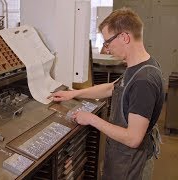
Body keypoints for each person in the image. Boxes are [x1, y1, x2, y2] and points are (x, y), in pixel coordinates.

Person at [49, 7, 164, 180]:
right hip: (121, 156)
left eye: (107, 42)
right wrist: (73, 93)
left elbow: (133, 138)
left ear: (124, 37)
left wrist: (91, 119)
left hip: (130, 163)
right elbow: (112, 88)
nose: (106, 49)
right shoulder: (141, 65)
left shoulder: (143, 81)